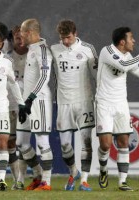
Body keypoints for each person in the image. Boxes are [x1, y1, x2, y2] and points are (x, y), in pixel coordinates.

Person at [96, 27, 139, 191]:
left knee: (124, 141)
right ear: (122, 42)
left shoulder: (128, 55)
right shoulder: (107, 51)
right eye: (131, 38)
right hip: (104, 103)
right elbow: (124, 66)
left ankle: (122, 182)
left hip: (121, 104)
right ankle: (104, 169)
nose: (134, 41)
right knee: (105, 145)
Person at [51, 19, 97, 191]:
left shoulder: (87, 49)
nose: (65, 41)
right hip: (63, 103)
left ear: (75, 34)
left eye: (68, 37)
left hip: (84, 102)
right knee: (64, 145)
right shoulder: (54, 50)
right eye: (62, 38)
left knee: (86, 142)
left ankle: (84, 180)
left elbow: (97, 76)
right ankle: (73, 171)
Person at [16, 18, 53, 191]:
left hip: (39, 102)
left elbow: (44, 77)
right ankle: (38, 174)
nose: (19, 35)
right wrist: (24, 102)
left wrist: (30, 98)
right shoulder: (31, 50)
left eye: (22, 31)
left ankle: (46, 182)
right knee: (21, 143)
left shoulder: (43, 50)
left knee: (42, 142)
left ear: (30, 32)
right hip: (27, 102)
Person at [0, 28, 26, 191]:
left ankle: (0, 179)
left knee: (3, 142)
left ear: (0, 44)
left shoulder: (6, 63)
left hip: (1, 108)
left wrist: (21, 104)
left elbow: (13, 84)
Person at [7, 25, 28, 190]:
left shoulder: (34, 55)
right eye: (17, 38)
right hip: (10, 105)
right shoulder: (6, 58)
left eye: (23, 38)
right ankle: (16, 180)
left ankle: (22, 178)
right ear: (13, 38)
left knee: (23, 143)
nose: (20, 41)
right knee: (11, 144)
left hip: (28, 106)